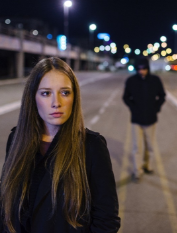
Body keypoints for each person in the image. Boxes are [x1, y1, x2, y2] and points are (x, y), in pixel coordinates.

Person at [0, 57, 120, 233]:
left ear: (74, 96)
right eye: (46, 93)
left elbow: (106, 219)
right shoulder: (16, 140)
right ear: (32, 97)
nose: (56, 103)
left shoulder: (92, 146)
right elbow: (5, 203)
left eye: (65, 92)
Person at [123, 57, 166, 182]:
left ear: (148, 68)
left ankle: (148, 166)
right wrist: (133, 108)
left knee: (150, 146)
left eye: (144, 68)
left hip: (151, 119)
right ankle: (138, 171)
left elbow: (162, 96)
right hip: (136, 119)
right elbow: (125, 97)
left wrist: (156, 108)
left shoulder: (155, 80)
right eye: (139, 69)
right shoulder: (131, 81)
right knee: (137, 147)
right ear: (136, 69)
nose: (142, 71)